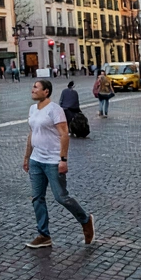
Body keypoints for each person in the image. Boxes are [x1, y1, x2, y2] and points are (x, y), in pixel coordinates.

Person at [23, 80, 94, 248]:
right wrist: (27, 157)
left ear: (46, 92)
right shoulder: (33, 109)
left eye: (36, 87)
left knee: (61, 197)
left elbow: (64, 135)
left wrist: (63, 159)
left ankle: (85, 220)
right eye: (33, 86)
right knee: (37, 198)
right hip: (36, 160)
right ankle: (43, 235)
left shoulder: (55, 109)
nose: (32, 90)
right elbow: (32, 133)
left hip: (53, 160)